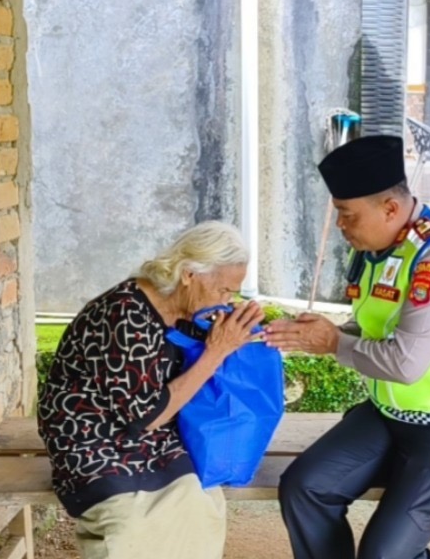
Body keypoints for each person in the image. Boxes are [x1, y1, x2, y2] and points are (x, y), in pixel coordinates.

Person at [263, 134, 430, 559]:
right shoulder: (380, 249)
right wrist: (322, 332)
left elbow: (406, 364)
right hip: (389, 417)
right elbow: (373, 325)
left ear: (390, 209)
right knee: (305, 488)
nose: (340, 226)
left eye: (347, 214)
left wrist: (333, 342)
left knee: (382, 554)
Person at [36, 221, 264, 559]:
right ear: (189, 274)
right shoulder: (123, 314)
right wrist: (216, 351)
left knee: (199, 505)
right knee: (133, 525)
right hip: (92, 439)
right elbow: (147, 416)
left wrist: (253, 330)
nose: (226, 300)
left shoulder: (186, 311)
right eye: (223, 290)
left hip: (154, 441)